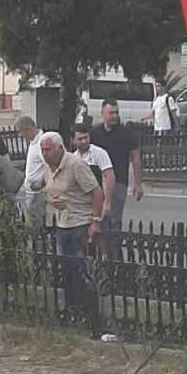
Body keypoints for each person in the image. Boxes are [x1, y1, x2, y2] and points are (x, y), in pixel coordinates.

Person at [41, 133, 105, 334]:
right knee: (67, 271)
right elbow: (49, 191)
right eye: (42, 150)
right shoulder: (47, 167)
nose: (45, 154)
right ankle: (72, 310)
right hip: (62, 224)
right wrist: (51, 201)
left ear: (60, 148)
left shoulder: (75, 164)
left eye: (48, 149)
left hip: (80, 222)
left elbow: (96, 192)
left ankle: (92, 316)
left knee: (83, 271)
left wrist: (95, 220)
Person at [90, 98, 144, 258]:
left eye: (116, 112)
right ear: (103, 114)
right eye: (111, 113)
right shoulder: (95, 133)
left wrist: (138, 184)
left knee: (114, 219)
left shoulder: (126, 133)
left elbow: (135, 157)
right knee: (98, 218)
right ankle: (100, 253)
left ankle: (114, 255)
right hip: (97, 183)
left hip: (118, 182)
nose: (114, 116)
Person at [71, 123, 115, 215]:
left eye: (86, 137)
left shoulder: (99, 153)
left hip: (98, 200)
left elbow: (109, 176)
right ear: (73, 141)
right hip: (80, 204)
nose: (84, 141)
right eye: (80, 139)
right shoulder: (73, 158)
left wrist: (107, 202)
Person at [15, 115, 49, 222]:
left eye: (21, 132)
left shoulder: (41, 142)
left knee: (35, 221)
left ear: (28, 129)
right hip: (30, 190)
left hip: (37, 192)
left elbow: (48, 165)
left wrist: (41, 183)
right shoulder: (33, 142)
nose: (20, 135)